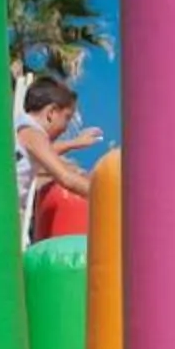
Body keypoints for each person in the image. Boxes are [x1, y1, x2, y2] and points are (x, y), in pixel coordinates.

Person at [14, 75, 103, 236]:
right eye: (67, 118)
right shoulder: (32, 132)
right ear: (51, 113)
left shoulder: (22, 129)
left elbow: (45, 152)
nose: (65, 128)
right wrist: (106, 193)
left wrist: (74, 143)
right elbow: (66, 178)